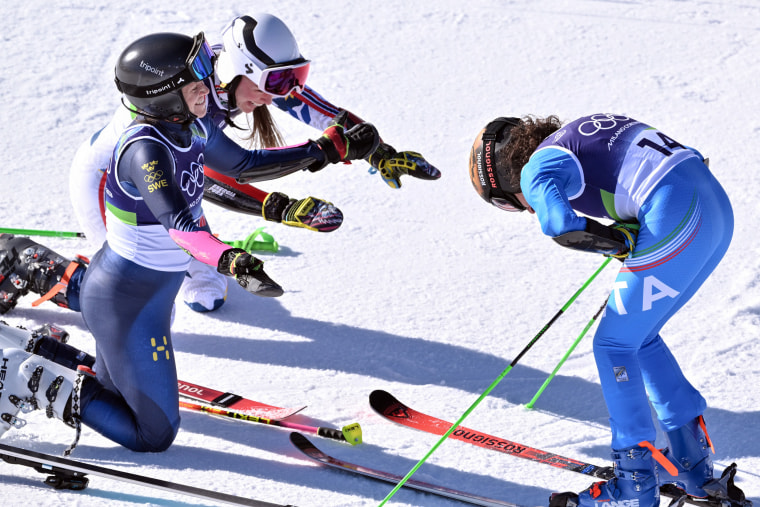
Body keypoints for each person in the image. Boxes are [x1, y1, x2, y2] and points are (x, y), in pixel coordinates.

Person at [0, 31, 379, 453]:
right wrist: (230, 260)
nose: (209, 86)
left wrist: (327, 149)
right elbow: (180, 224)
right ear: (163, 97)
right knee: (154, 435)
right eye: (196, 81)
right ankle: (22, 375)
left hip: (143, 295)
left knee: (115, 388)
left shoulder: (192, 125)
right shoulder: (145, 151)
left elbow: (245, 164)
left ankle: (30, 351)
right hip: (124, 299)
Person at [67, 12, 440, 313]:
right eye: (273, 83)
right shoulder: (193, 101)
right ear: (237, 71)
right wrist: (278, 208)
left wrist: (378, 150)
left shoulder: (241, 75)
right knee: (127, 297)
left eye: (287, 80)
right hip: (113, 188)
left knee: (207, 294)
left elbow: (324, 115)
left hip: (175, 189)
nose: (278, 94)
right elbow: (208, 177)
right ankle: (47, 274)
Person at [468, 114, 740, 506]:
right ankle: (693, 466)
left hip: (679, 219)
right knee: (639, 338)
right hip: (714, 212)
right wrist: (630, 235)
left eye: (507, 204)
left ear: (506, 180)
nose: (524, 210)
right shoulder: (581, 132)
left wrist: (616, 242)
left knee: (613, 345)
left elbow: (560, 225)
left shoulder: (537, 167)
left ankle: (634, 486)